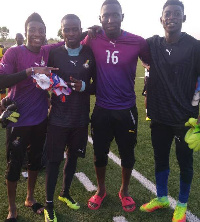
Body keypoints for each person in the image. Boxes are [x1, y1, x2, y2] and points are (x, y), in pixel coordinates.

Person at [82, 0, 150, 212]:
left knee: (127, 153)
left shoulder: (137, 42)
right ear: (100, 18)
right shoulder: (93, 39)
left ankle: (125, 191)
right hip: (102, 109)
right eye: (106, 15)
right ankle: (101, 190)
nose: (111, 19)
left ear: (123, 16)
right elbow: (72, 50)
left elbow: (152, 65)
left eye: (115, 15)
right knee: (99, 154)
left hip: (127, 110)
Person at [139, 1, 200, 222]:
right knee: (160, 158)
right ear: (161, 18)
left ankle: (182, 206)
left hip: (185, 119)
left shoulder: (195, 46)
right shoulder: (152, 44)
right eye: (168, 14)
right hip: (159, 116)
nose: (171, 17)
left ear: (184, 18)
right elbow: (127, 43)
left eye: (177, 14)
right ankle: (162, 198)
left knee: (185, 163)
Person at [0, 12, 63, 222]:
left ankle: (29, 198)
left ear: (46, 33)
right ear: (26, 32)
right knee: (14, 164)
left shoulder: (46, 50)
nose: (37, 34)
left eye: (41, 30)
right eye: (33, 30)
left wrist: (91, 33)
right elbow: (2, 81)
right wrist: (31, 71)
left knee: (35, 161)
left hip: (40, 120)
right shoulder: (13, 53)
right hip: (18, 120)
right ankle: (12, 209)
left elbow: (70, 39)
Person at [43, 14, 96, 222]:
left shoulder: (89, 53)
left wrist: (84, 86)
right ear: (61, 30)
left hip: (80, 119)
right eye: (67, 29)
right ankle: (49, 205)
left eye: (75, 29)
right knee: (54, 161)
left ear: (81, 29)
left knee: (73, 158)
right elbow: (45, 79)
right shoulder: (54, 54)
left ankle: (64, 193)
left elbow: (98, 85)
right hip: (58, 119)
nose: (71, 33)